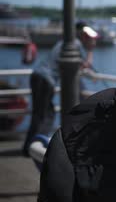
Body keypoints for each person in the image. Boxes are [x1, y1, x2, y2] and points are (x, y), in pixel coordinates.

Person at [21, 21, 96, 156]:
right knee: (47, 114)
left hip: (37, 75)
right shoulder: (75, 44)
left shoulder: (63, 42)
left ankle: (28, 147)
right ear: (81, 33)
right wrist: (90, 49)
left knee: (39, 114)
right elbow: (86, 65)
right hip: (46, 80)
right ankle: (36, 147)